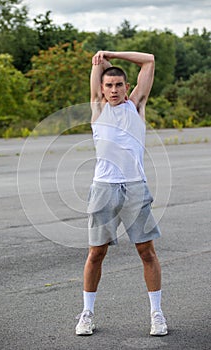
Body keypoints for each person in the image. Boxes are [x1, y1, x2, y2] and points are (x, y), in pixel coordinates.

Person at [75, 50, 168, 336]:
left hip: (134, 187)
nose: (113, 90)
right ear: (101, 89)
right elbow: (98, 65)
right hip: (103, 188)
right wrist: (101, 59)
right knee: (96, 253)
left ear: (127, 87)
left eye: (118, 85)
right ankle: (87, 313)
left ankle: (157, 314)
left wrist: (113, 54)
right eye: (108, 85)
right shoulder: (98, 108)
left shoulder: (136, 106)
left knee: (146, 251)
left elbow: (149, 59)